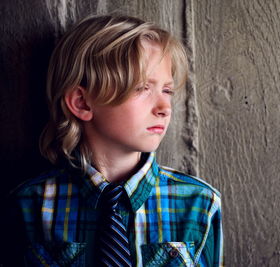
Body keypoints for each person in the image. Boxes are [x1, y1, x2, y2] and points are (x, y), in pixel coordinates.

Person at [1, 14, 223, 267]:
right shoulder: (29, 205)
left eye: (167, 91)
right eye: (142, 88)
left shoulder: (199, 203)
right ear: (82, 103)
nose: (164, 108)